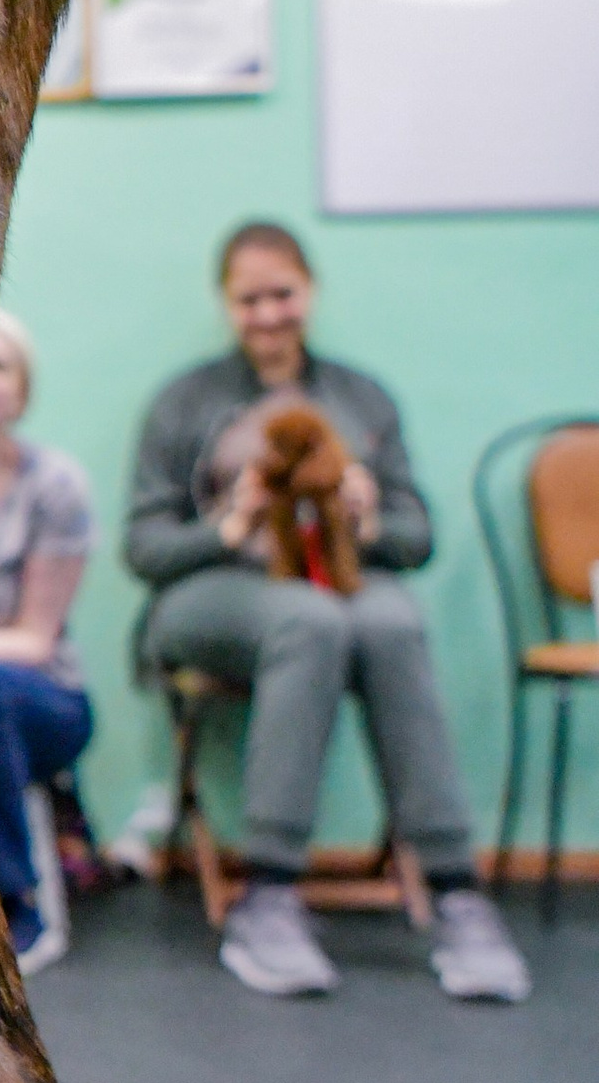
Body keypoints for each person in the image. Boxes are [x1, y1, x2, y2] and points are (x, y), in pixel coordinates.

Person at [127, 221, 531, 1002]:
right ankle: (269, 895)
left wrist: (371, 518)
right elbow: (145, 551)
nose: (269, 313)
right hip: (211, 593)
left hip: (342, 580)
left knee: (390, 620)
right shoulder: (185, 401)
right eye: (250, 298)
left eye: (282, 293)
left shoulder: (361, 397)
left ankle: (456, 892)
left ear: (309, 293)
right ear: (226, 305)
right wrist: (230, 525)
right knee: (307, 622)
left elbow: (419, 540)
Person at [0, 312, 91, 975]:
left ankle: (14, 902)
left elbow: (34, 641)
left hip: (42, 704)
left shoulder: (53, 486)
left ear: (22, 392)